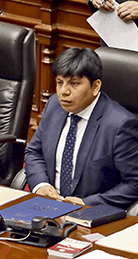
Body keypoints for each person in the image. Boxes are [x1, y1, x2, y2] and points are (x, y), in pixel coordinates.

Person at [25, 47, 138, 209]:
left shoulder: (119, 125)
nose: (64, 91)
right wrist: (41, 185)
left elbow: (134, 183)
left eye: (74, 83)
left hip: (91, 214)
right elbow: (34, 152)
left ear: (95, 87)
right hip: (46, 206)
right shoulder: (54, 105)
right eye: (59, 82)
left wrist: (87, 203)